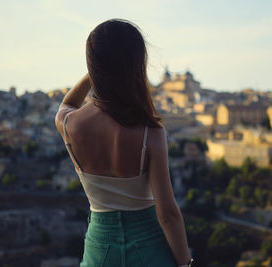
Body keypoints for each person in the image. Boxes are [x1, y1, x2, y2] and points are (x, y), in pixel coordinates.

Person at [55, 19, 193, 267]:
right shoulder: (151, 131)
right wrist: (185, 264)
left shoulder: (69, 124)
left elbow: (66, 104)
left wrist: (98, 70)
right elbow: (168, 215)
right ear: (136, 65)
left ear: (93, 65)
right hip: (149, 250)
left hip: (99, 251)